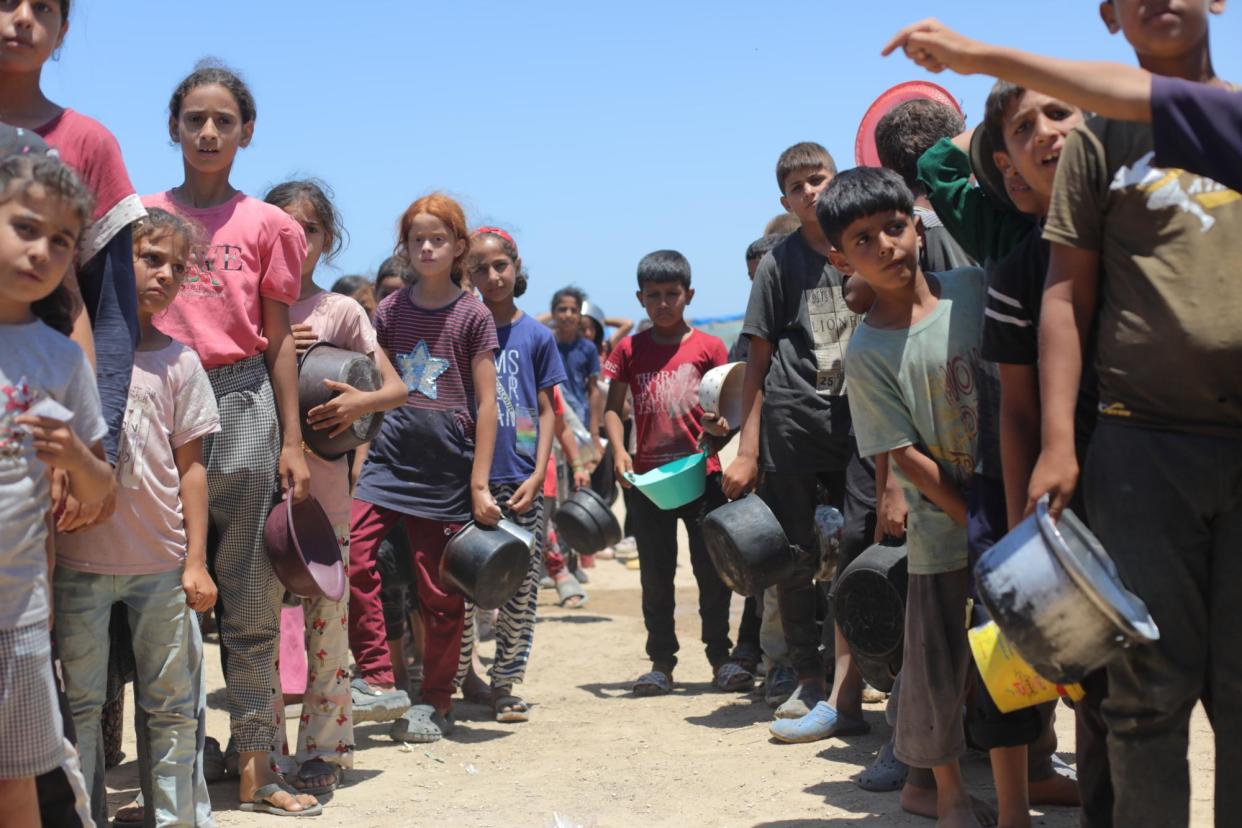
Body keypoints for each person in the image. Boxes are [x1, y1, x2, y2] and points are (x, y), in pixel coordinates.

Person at [1027, 3, 1241, 824]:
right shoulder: (1097, 139)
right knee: (1146, 691)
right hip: (1143, 444)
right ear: (1111, 20)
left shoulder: (1237, 114)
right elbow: (1064, 294)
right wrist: (1056, 441)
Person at [821, 166, 1027, 828]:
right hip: (945, 534)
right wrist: (979, 521)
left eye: (893, 226)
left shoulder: (971, 290)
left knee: (1010, 664)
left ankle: (1019, 801)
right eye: (862, 239)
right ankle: (943, 793)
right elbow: (901, 454)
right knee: (938, 668)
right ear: (839, 257)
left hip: (1013, 515)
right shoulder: (868, 352)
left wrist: (1008, 516)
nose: (884, 245)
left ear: (916, 224)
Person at [143, 61, 318, 817]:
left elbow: (279, 338)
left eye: (223, 120)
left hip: (245, 403)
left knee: (250, 598)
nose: (208, 132)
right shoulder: (139, 218)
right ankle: (163, 776)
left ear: (247, 132)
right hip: (156, 406)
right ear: (174, 128)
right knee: (156, 599)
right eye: (194, 119)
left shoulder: (269, 226)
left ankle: (256, 771)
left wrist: (292, 441)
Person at [54, 207, 219, 827]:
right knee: (82, 706)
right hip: (79, 561)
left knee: (173, 706)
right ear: (115, 262)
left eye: (178, 267)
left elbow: (192, 469)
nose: (165, 275)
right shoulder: (76, 353)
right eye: (150, 258)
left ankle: (178, 819)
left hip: (161, 564)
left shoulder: (180, 364)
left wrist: (195, 562)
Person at [265, 180, 405, 796]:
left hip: (324, 494)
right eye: (286, 230)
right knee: (257, 626)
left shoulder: (341, 312)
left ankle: (323, 750)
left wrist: (355, 403)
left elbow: (393, 390)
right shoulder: (246, 306)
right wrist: (265, 345)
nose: (299, 242)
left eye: (311, 231)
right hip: (253, 490)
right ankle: (259, 749)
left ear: (328, 240)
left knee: (328, 623)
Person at [722, 142, 868, 732]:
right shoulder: (781, 263)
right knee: (798, 557)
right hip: (792, 424)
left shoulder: (862, 245)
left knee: (856, 548)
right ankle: (807, 678)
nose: (811, 192)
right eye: (798, 186)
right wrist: (748, 447)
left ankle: (853, 675)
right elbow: (755, 359)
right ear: (784, 199)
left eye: (819, 179)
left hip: (862, 423)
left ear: (836, 181)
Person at [347, 192, 501, 745]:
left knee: (440, 593)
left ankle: (435, 700)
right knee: (354, 556)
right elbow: (375, 390)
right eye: (418, 239)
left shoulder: (472, 314)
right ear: (405, 247)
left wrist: (479, 483)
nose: (428, 247)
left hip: (445, 471)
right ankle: (379, 676)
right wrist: (358, 463)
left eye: (438, 238)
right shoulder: (389, 311)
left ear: (459, 246)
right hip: (388, 461)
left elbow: (488, 405)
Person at [0, 152, 112, 826]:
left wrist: (74, 454)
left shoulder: (60, 359)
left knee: (15, 780)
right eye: (23, 227)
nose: (41, 251)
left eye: (61, 241)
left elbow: (104, 489)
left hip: (16, 619)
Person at [884, 16, 1242, 192]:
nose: (1044, 133)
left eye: (1059, 114)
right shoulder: (1095, 169)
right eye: (1021, 127)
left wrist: (978, 57)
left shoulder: (1228, 113)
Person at [603, 249, 738, 695]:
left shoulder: (709, 347)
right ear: (640, 298)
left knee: (711, 571)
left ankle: (722, 657)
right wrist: (619, 450)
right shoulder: (628, 349)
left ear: (689, 295)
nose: (663, 303)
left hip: (703, 475)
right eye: (654, 295)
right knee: (655, 575)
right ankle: (661, 661)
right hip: (650, 482)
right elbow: (612, 408)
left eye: (672, 294)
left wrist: (720, 428)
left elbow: (725, 406)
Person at [455, 226, 565, 722]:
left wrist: (538, 472)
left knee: (521, 587)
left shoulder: (536, 336)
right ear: (466, 274)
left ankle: (505, 684)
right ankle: (458, 680)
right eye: (480, 268)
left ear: (516, 267)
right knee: (460, 589)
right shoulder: (460, 328)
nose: (492, 276)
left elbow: (544, 410)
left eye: (500, 265)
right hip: (466, 479)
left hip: (520, 478)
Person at [550, 286, 602, 462]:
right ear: (553, 313)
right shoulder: (545, 343)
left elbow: (593, 390)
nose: (568, 314)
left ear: (580, 315)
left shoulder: (588, 348)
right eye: (562, 309)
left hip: (580, 421)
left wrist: (594, 433)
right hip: (553, 419)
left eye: (574, 310)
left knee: (582, 472)